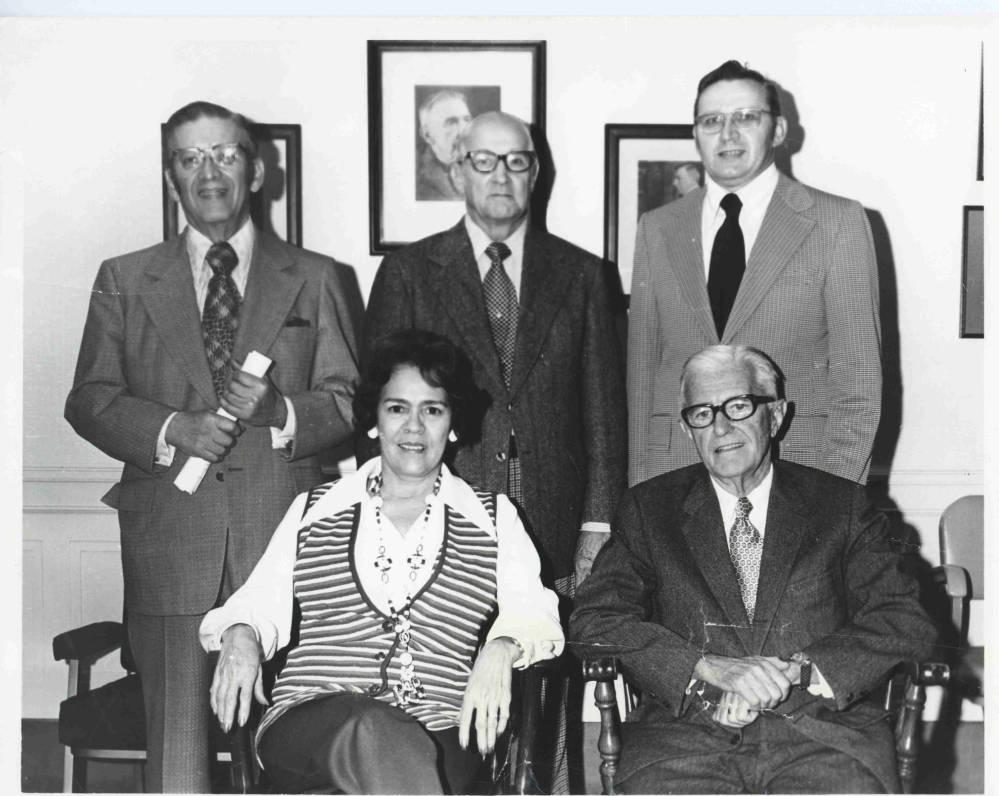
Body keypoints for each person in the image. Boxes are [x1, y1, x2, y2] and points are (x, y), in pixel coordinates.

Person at [64, 100, 360, 792]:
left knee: (291, 751)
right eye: (190, 158)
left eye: (225, 154)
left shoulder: (317, 277)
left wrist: (282, 409)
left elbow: (348, 403)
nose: (209, 171)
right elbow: (89, 398)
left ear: (257, 172)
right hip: (170, 543)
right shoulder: (125, 277)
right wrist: (171, 429)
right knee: (179, 758)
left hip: (283, 545)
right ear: (171, 176)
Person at [367, 110, 626, 792]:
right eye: (483, 162)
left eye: (516, 161)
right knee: (445, 691)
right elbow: (387, 412)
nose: (501, 176)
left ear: (535, 172)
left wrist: (597, 524)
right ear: (457, 172)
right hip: (443, 517)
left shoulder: (581, 274)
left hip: (554, 520)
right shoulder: (409, 271)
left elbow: (604, 410)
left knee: (544, 697)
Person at [199, 329, 563, 794]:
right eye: (397, 409)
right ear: (374, 421)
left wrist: (501, 648)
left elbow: (536, 613)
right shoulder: (315, 508)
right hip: (312, 722)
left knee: (399, 749)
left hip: (442, 726)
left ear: (452, 425)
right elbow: (254, 605)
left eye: (432, 410)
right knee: (369, 728)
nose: (413, 428)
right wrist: (241, 634)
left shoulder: (493, 518)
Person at [571, 345, 936, 794]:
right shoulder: (650, 510)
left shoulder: (840, 507)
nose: (721, 426)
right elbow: (594, 621)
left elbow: (903, 618)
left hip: (822, 736)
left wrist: (797, 670)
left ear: (776, 415)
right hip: (687, 738)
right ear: (689, 430)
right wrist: (708, 669)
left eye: (739, 406)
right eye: (702, 413)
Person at [628, 60, 881, 487]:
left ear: (778, 130)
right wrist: (642, 492)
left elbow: (859, 388)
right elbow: (642, 380)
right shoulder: (657, 227)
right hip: (677, 480)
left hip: (800, 475)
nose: (727, 134)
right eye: (712, 121)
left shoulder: (837, 222)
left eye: (746, 117)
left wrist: (835, 502)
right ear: (695, 135)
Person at [417, 89, 472, 200]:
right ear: (427, 135)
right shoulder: (418, 181)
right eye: (451, 122)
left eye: (466, 120)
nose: (464, 130)